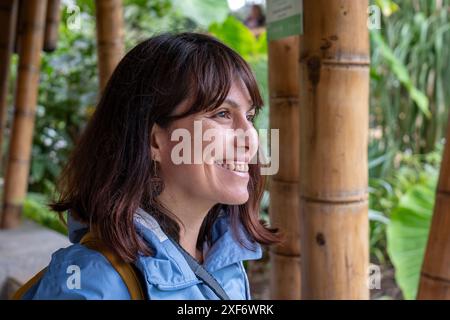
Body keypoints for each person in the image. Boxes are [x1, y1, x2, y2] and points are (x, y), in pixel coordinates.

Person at [17, 32, 281, 300]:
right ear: (155, 141)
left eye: (249, 117)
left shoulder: (224, 259)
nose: (251, 138)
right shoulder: (90, 285)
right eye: (222, 114)